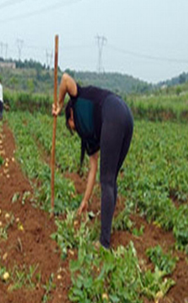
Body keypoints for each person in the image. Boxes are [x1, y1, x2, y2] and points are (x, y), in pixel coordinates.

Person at [52, 72, 133, 249]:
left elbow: (65, 78)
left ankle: (104, 243)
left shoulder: (77, 97)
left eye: (69, 123)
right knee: (110, 179)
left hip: (113, 112)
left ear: (70, 114)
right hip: (125, 115)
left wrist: (58, 104)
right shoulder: (89, 135)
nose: (72, 127)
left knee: (107, 181)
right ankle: (107, 232)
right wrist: (84, 201)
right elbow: (92, 169)